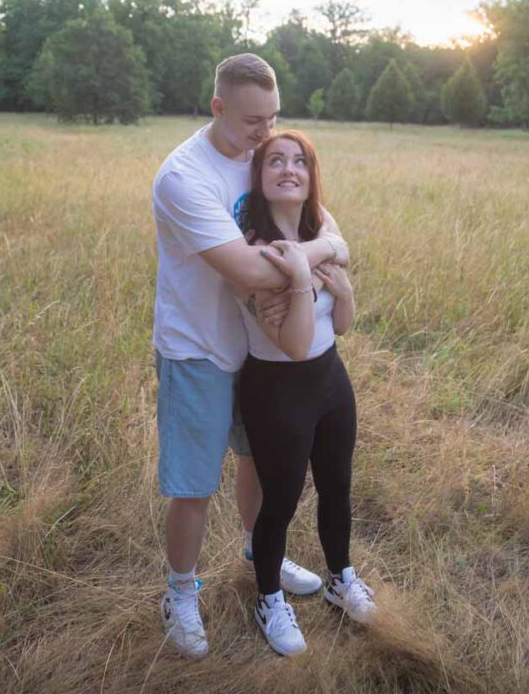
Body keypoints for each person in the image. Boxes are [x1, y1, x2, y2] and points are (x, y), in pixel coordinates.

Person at [152, 54, 349, 659]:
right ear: (217, 108)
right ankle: (180, 592)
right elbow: (245, 268)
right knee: (193, 483)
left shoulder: (258, 158)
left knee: (256, 463)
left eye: (273, 119)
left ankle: (256, 550)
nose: (265, 135)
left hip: (261, 354)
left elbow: (327, 236)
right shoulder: (185, 177)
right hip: (201, 349)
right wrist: (312, 269)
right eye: (251, 122)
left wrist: (306, 266)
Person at [236, 130, 376, 657]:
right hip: (276, 390)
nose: (289, 169)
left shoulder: (323, 221)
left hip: (331, 381)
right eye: (276, 161)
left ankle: (341, 578)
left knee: (338, 485)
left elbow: (341, 324)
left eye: (300, 161)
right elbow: (294, 344)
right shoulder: (251, 249)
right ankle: (269, 599)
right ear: (260, 175)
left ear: (312, 174)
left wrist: (338, 287)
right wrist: (304, 273)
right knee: (281, 503)